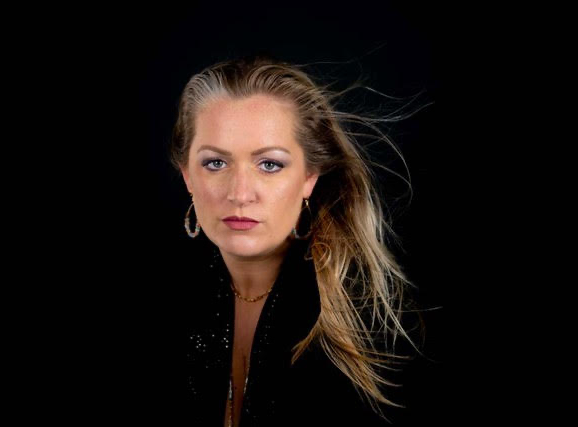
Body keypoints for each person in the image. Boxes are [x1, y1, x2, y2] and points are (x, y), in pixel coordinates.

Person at [170, 54, 424, 426]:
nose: (240, 193)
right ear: (187, 176)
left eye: (269, 164)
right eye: (216, 163)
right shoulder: (170, 298)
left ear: (309, 177)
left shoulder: (370, 322)